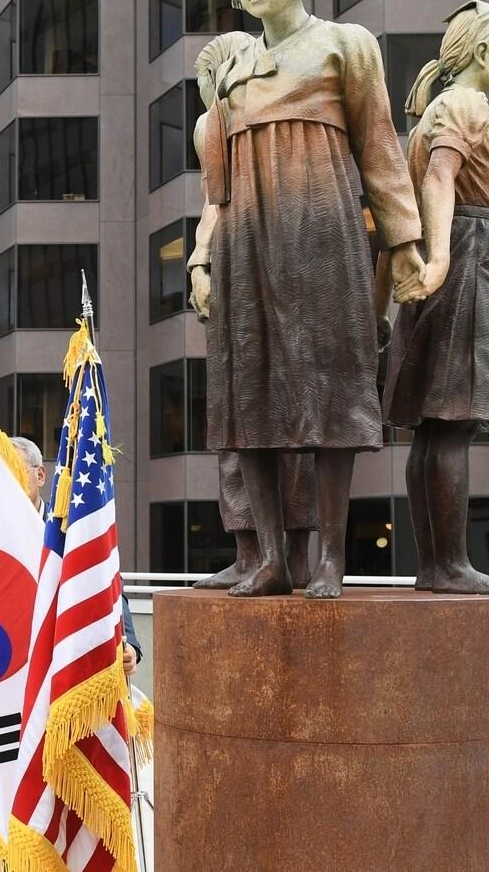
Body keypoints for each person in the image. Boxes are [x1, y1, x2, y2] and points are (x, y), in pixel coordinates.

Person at [191, 0, 425, 599]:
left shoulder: (345, 45)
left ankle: (330, 559)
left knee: (328, 393)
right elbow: (216, 187)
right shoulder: (230, 73)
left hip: (322, 235)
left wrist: (403, 243)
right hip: (246, 243)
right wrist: (203, 259)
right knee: (249, 397)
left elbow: (379, 149)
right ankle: (270, 558)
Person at [380, 0, 489, 595]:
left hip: (449, 257)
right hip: (462, 258)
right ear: (484, 51)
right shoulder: (465, 102)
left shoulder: (435, 111)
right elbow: (440, 177)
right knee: (452, 421)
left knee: (436, 428)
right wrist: (441, 259)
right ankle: (451, 566)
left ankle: (437, 566)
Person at [187, 31, 319, 594]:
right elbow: (215, 202)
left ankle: (282, 556)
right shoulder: (214, 124)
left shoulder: (275, 115)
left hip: (278, 264)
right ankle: (256, 555)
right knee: (241, 420)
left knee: (288, 417)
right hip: (245, 266)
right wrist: (200, 263)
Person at [10, 435, 142, 675]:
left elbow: (107, 584)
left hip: (64, 658)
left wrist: (130, 645)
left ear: (40, 475)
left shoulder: (70, 529)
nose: (9, 480)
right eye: (1, 474)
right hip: (11, 661)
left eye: (16, 469)